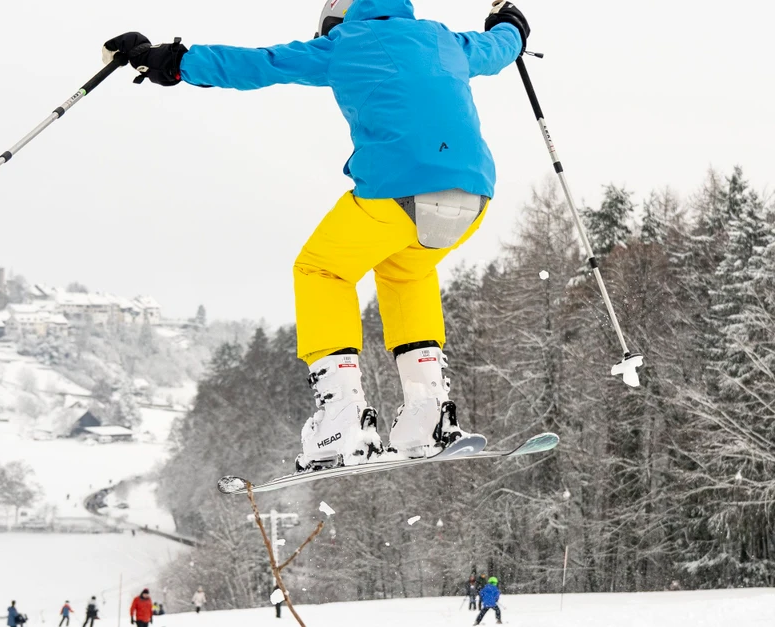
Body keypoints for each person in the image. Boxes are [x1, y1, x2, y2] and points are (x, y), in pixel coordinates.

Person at [103, 0, 530, 467]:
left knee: (321, 270)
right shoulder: (446, 40)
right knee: (406, 274)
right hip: (473, 195)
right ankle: (429, 415)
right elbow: (501, 47)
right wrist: (510, 22)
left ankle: (342, 418)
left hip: (396, 190)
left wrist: (170, 60)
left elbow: (260, 63)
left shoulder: (347, 43)